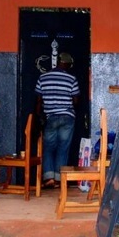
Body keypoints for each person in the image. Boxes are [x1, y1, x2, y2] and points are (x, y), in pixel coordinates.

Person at [34, 52, 80, 189]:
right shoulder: (71, 78)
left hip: (50, 117)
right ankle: (59, 179)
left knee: (48, 148)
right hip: (67, 117)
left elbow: (38, 101)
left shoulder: (43, 78)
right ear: (65, 63)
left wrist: (40, 116)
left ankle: (49, 178)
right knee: (63, 148)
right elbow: (76, 100)